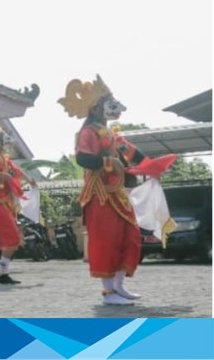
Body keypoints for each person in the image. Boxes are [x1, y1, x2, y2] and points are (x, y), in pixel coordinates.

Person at [58, 74, 146, 305]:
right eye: (109, 100)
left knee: (130, 236)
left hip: (117, 194)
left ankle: (119, 286)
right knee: (107, 239)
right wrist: (110, 163)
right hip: (100, 194)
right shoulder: (87, 133)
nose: (116, 105)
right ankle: (108, 292)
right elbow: (83, 159)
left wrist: (151, 166)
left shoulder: (111, 134)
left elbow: (132, 153)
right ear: (97, 106)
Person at [0, 124, 37, 284]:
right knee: (12, 236)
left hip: (8, 203)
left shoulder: (5, 160)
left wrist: (29, 180)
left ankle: (2, 271)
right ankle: (2, 271)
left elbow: (17, 171)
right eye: (3, 138)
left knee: (13, 238)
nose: (6, 141)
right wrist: (1, 175)